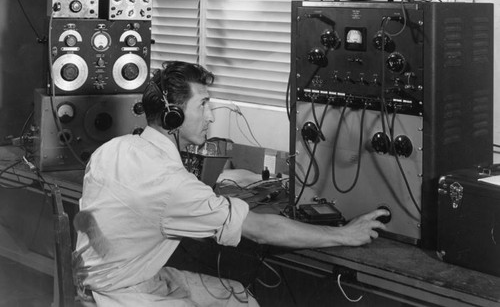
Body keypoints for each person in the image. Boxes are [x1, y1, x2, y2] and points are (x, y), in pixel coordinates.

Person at [73, 61, 388, 307]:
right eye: (203, 105)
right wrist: (344, 234)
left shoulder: (112, 149)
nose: (210, 117)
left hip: (97, 278)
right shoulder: (171, 185)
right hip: (120, 294)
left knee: (235, 293)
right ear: (173, 116)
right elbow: (260, 229)